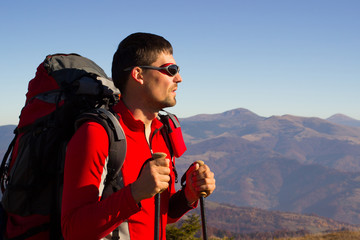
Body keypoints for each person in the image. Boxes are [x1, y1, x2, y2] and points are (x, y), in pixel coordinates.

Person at [61, 32, 216, 239]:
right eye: (170, 70)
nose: (178, 78)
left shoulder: (163, 132)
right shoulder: (96, 134)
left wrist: (188, 195)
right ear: (138, 75)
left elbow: (155, 215)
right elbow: (73, 230)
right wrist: (135, 193)